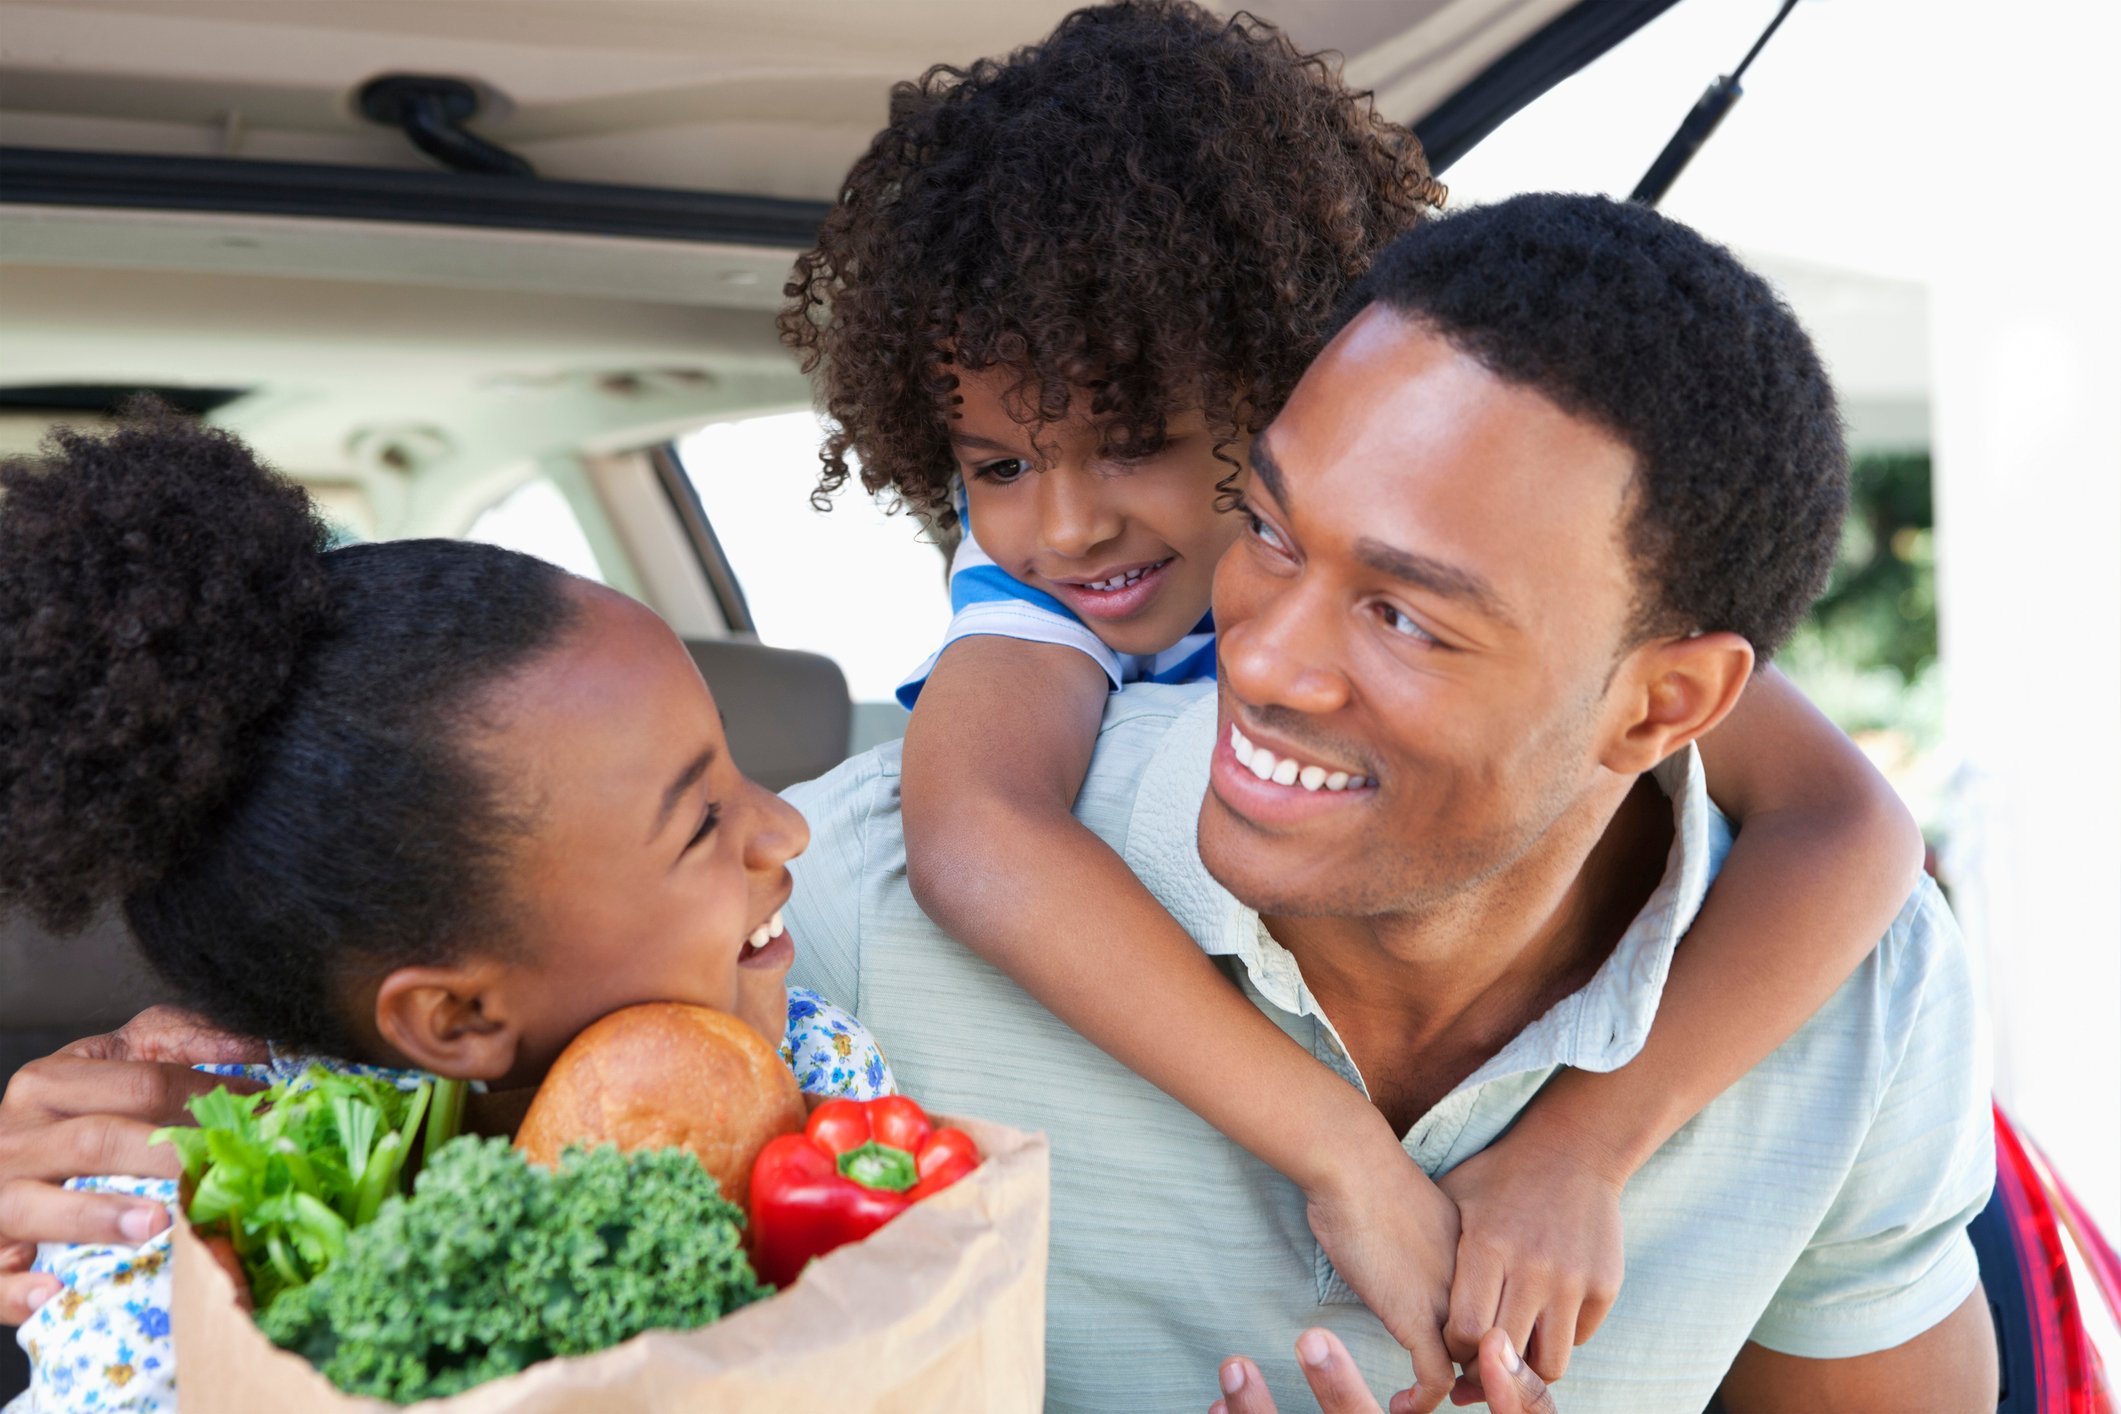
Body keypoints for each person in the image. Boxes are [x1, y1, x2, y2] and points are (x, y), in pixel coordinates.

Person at [782, 3, 1926, 1398]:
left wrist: (1587, 1140)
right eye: (1000, 468)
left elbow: (1851, 826)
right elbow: (971, 841)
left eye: (1136, 445)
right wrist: (1337, 1145)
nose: (1065, 525)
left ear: (1292, 386)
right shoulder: (998, 657)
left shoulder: (1587, 641)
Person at [0, 411, 892, 1411]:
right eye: (697, 825)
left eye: (737, 763)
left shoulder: (818, 1073)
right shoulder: (168, 1194)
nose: (784, 828)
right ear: (457, 1017)